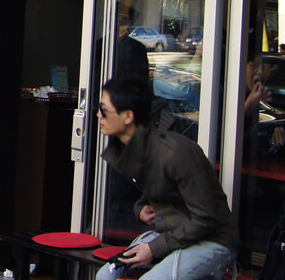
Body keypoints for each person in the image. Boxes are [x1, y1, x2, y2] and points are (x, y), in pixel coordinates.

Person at [95, 75, 238, 280]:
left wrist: (154, 248)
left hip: (214, 240)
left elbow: (205, 218)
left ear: (128, 116)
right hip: (172, 233)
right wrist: (140, 209)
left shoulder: (175, 153)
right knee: (104, 277)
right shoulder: (133, 150)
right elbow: (161, 194)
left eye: (104, 110)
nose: (98, 115)